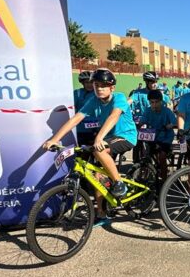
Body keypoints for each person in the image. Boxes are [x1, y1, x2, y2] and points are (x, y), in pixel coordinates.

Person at [43, 68, 137, 217]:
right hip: (107, 138)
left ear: (111, 88)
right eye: (96, 85)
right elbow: (76, 119)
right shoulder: (93, 100)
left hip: (125, 136)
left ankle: (119, 183)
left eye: (103, 85)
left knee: (98, 150)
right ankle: (101, 212)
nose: (99, 88)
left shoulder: (119, 97)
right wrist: (55, 139)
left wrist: (99, 138)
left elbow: (114, 116)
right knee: (96, 176)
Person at [142, 89, 177, 181]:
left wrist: (170, 125)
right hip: (152, 136)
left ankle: (165, 180)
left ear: (161, 101)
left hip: (166, 137)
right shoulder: (147, 111)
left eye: (156, 102)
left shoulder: (167, 111)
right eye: (152, 102)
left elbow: (175, 122)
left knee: (162, 156)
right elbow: (142, 122)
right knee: (145, 154)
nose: (154, 104)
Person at [73, 70, 96, 146]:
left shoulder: (98, 93)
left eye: (91, 82)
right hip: (80, 128)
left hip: (95, 129)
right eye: (86, 82)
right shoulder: (77, 93)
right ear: (82, 83)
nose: (89, 85)